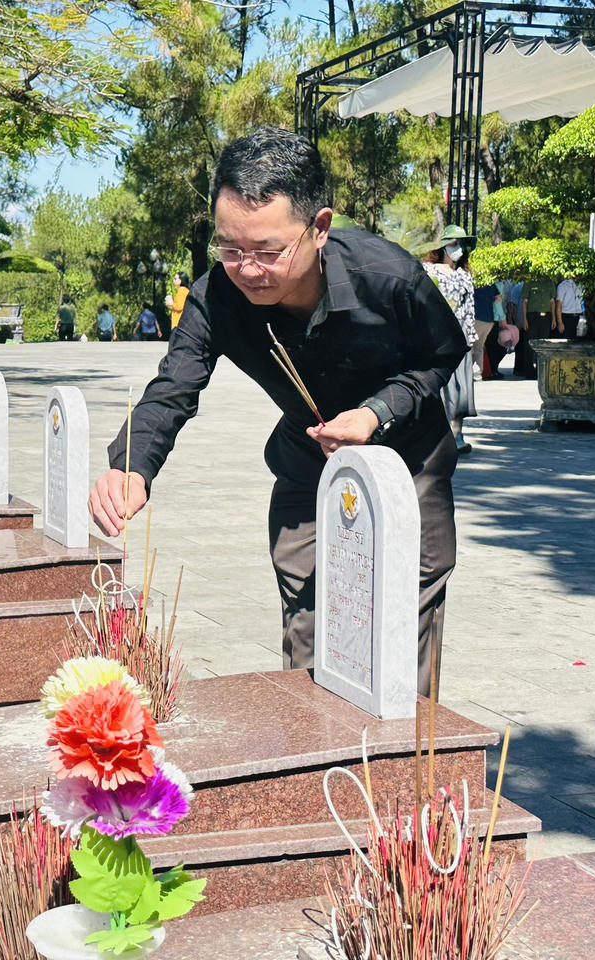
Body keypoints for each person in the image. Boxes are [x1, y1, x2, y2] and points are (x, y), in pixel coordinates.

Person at [88, 127, 467, 698]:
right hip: (306, 461)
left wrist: (374, 413)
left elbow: (444, 352)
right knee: (309, 619)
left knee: (404, 624)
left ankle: (407, 775)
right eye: (230, 248)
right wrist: (132, 465)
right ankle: (313, 764)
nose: (247, 269)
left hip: (408, 460)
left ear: (318, 227)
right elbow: (173, 386)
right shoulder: (216, 297)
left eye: (268, 251)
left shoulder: (388, 278)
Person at [421, 226, 478, 455]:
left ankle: (457, 434)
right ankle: (434, 436)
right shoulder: (428, 271)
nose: (458, 249)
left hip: (460, 338)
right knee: (438, 387)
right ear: (443, 245)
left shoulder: (464, 276)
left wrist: (471, 339)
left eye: (461, 244)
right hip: (435, 337)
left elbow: (469, 309)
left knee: (461, 389)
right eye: (454, 243)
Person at [518, 275, 555, 377]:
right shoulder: (529, 282)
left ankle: (541, 370)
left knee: (544, 343)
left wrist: (554, 319)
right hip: (532, 316)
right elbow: (525, 302)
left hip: (546, 316)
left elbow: (552, 302)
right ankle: (529, 371)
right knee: (530, 343)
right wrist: (525, 319)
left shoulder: (550, 282)